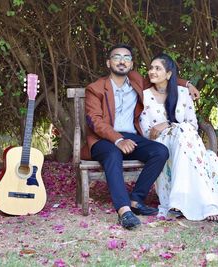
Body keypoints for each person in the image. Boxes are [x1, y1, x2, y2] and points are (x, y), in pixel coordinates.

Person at [83, 44, 199, 230]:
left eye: (127, 58)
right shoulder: (95, 88)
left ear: (131, 64)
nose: (122, 61)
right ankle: (124, 211)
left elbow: (162, 77)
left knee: (160, 151)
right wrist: (118, 140)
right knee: (113, 154)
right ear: (108, 62)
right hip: (103, 140)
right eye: (117, 57)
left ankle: (136, 199)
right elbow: (95, 121)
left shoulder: (136, 80)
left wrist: (187, 84)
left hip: (131, 137)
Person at [139, 53, 218, 222]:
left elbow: (193, 125)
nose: (152, 71)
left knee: (185, 133)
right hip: (160, 145)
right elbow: (148, 132)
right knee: (184, 132)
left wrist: (168, 124)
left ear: (168, 74)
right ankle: (206, 203)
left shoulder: (182, 93)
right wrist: (170, 129)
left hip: (185, 142)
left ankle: (183, 200)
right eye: (151, 68)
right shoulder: (144, 96)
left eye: (157, 68)